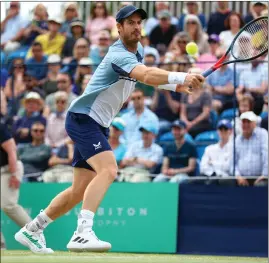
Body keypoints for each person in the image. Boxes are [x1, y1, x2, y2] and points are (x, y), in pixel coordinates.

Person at [14, 5, 204, 253]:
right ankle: (83, 233)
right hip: (84, 118)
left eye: (139, 22)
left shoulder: (139, 51)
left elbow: (148, 77)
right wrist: (181, 77)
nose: (137, 26)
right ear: (119, 27)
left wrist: (178, 87)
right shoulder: (118, 55)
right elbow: (146, 75)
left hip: (97, 123)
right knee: (109, 169)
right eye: (131, 22)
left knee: (78, 191)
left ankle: (32, 229)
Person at [0, 123, 32, 249]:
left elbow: (11, 149)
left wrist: (14, 174)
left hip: (9, 169)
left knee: (8, 204)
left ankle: (34, 231)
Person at [234, 111, 268, 187]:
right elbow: (233, 162)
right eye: (243, 122)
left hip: (260, 177)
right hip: (241, 178)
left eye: (248, 122)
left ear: (254, 123)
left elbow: (267, 156)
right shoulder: (237, 139)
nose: (245, 124)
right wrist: (238, 176)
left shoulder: (262, 134)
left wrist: (264, 175)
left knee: (261, 185)